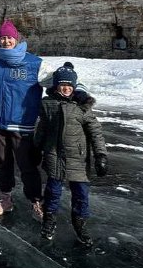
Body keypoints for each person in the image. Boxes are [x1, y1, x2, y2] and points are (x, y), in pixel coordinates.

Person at [34, 64, 108, 245]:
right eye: (62, 84)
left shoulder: (82, 106)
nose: (66, 88)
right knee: (52, 192)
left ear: (74, 86)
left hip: (78, 158)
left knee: (81, 194)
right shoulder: (47, 104)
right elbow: (42, 129)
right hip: (54, 155)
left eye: (69, 85)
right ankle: (49, 221)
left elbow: (95, 132)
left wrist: (101, 155)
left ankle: (80, 224)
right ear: (56, 85)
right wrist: (36, 148)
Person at [0, 20, 49, 219]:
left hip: (21, 122)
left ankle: (36, 201)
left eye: (9, 37)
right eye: (2, 37)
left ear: (16, 38)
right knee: (2, 162)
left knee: (26, 164)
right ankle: (5, 198)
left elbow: (56, 81)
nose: (5, 40)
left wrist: (76, 93)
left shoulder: (34, 63)